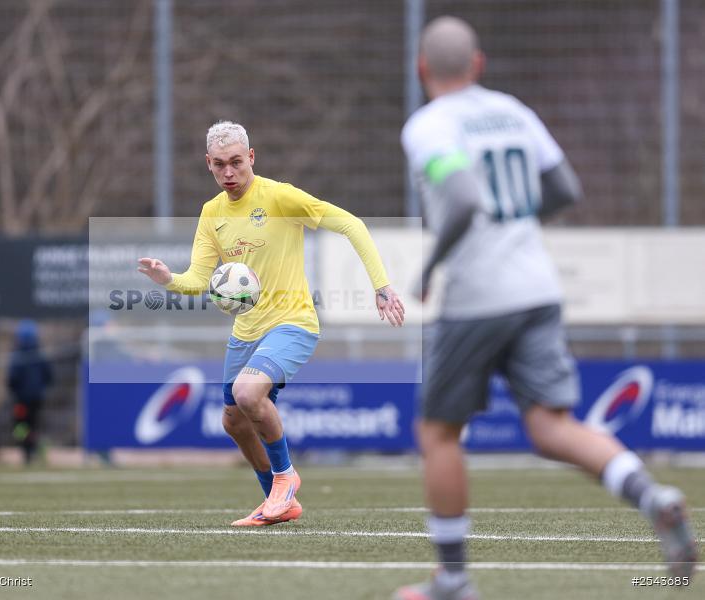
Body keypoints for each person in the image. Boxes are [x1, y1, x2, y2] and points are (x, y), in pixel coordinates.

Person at [395, 16, 698, 600]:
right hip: (537, 288)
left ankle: (452, 580)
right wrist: (515, 222)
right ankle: (652, 496)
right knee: (551, 425)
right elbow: (564, 189)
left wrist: (431, 267)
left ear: (421, 68)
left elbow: (462, 198)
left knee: (438, 432)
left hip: (479, 296)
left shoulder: (429, 125)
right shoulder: (513, 111)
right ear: (478, 64)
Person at [139, 121, 404, 526]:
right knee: (233, 421)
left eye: (237, 162)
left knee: (247, 393)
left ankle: (285, 478)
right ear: (208, 164)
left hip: (292, 322)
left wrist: (381, 286)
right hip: (246, 331)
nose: (229, 172)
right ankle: (277, 501)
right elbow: (198, 280)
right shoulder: (212, 213)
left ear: (252, 157)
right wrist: (168, 279)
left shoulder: (279, 197)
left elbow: (352, 224)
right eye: (220, 165)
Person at [7, 320, 53, 465]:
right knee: (34, 424)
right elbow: (49, 376)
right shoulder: (40, 354)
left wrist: (14, 391)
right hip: (37, 399)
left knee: (20, 426)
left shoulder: (18, 356)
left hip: (21, 400)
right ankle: (34, 447)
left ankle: (27, 449)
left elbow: (12, 378)